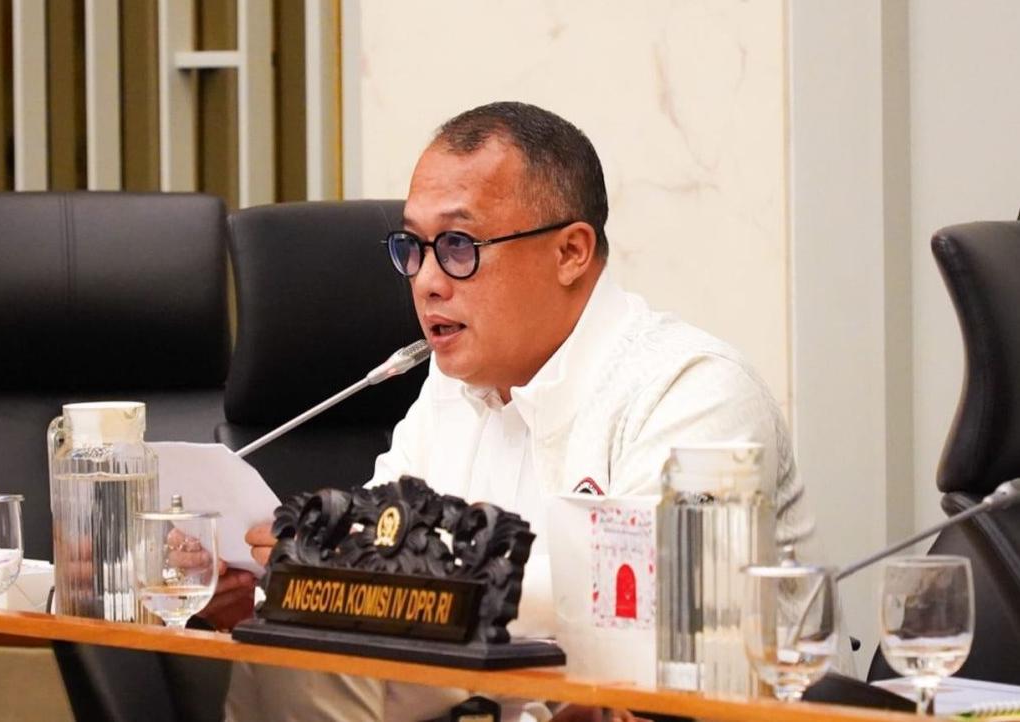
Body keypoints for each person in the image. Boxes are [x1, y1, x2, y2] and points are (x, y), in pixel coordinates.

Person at [215, 101, 810, 722]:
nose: (426, 281)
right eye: (412, 247)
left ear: (570, 252)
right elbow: (372, 554)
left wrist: (384, 578)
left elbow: (649, 604)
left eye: (457, 245)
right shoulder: (449, 389)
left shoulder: (691, 388)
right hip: (500, 707)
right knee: (296, 650)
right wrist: (278, 576)